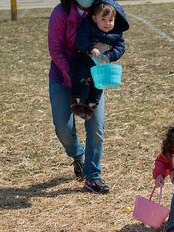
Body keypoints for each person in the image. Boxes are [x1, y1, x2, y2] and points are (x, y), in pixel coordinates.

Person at [48, 0, 111, 193]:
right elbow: (55, 48)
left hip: (93, 80)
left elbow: (114, 36)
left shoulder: (100, 10)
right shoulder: (61, 13)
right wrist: (73, 76)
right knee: (63, 128)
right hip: (62, 78)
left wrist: (109, 51)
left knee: (96, 128)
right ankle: (78, 154)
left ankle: (93, 177)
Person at [69, 0, 129, 120]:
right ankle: (77, 100)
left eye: (110, 20)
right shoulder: (88, 26)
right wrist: (90, 48)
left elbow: (121, 47)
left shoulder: (117, 33)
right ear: (95, 18)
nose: (107, 23)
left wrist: (110, 55)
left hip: (102, 64)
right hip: (85, 58)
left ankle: (91, 106)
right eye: (103, 19)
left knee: (99, 85)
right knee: (78, 73)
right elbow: (80, 38)